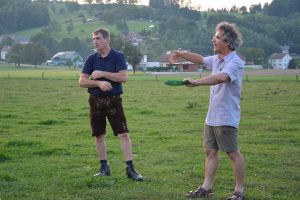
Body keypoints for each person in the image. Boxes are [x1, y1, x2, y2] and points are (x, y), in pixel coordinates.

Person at [168, 22, 245, 200]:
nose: (213, 39)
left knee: (233, 153)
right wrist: (181, 54)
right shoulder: (217, 59)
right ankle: (206, 187)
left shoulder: (235, 62)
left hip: (226, 117)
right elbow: (200, 59)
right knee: (210, 152)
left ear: (227, 42)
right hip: (212, 116)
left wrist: (196, 82)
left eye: (217, 37)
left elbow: (221, 78)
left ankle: (239, 191)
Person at [79, 28, 143, 181]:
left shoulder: (118, 56)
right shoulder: (91, 59)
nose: (95, 42)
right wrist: (99, 83)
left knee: (123, 134)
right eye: (94, 39)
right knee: (99, 134)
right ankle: (104, 168)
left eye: (98, 38)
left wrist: (102, 74)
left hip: (114, 100)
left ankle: (130, 168)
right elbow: (82, 81)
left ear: (107, 40)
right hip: (95, 101)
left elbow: (123, 77)